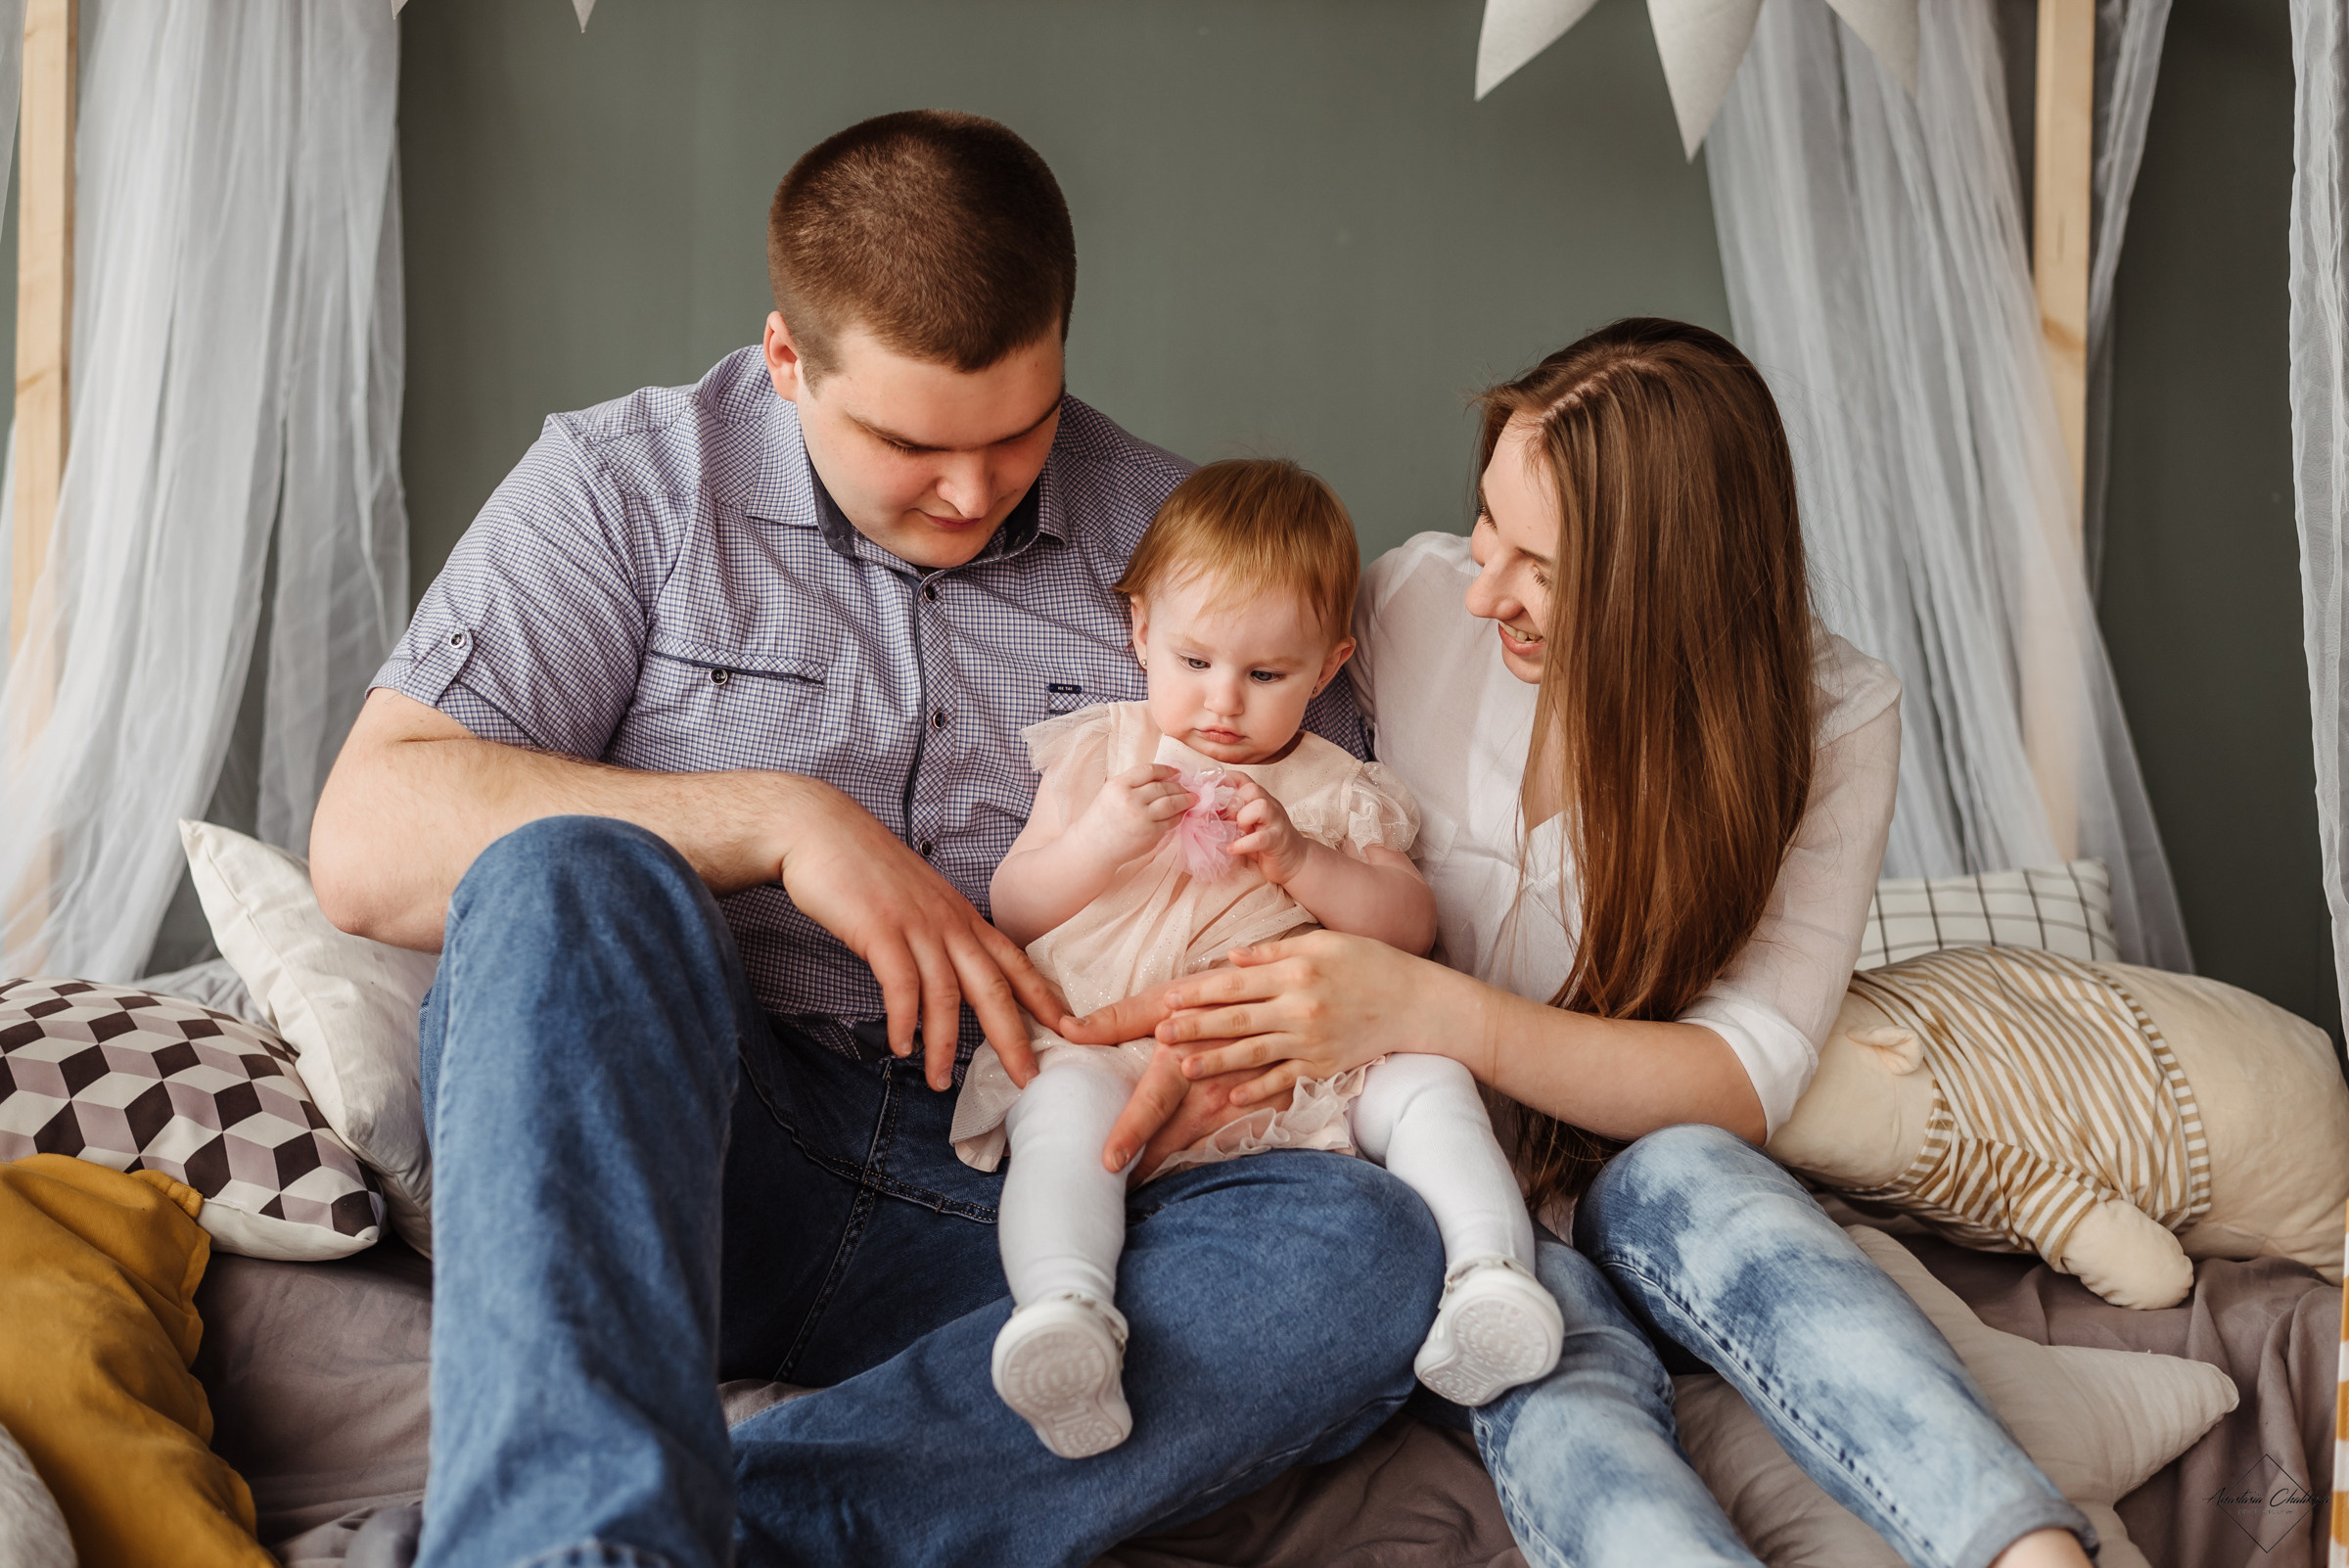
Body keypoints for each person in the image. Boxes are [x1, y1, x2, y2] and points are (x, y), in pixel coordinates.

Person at [308, 111, 1444, 1568]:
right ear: (788, 360)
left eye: (1020, 433)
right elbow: (364, 835)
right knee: (564, 871)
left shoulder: (1194, 558)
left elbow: (1348, 892)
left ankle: (695, 1533)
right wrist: (776, 816)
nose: (972, 493)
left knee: (1364, 1251)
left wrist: (1225, 1046)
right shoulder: (624, 487)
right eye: (911, 443)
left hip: (1050, 1182)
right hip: (705, 1160)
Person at [1066, 320, 2099, 1568]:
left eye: (1539, 566)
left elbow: (1741, 1078)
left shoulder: (1828, 717)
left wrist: (1426, 1006)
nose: (1482, 586)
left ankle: (2026, 1550)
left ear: (1670, 581)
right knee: (1548, 1369)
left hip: (1641, 1153)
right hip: (1440, 1170)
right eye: (1488, 527)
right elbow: (1229, 776)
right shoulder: (1406, 610)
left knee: (1699, 1188)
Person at [958, 458, 1563, 1459]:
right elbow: (1014, 907)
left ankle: (1490, 1278)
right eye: (1194, 662)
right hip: (1108, 1048)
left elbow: (1407, 925)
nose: (1223, 704)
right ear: (1141, 631)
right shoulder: (1100, 755)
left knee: (1431, 1082)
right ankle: (1065, 1310)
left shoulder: (1336, 787)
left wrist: (1301, 859)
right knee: (1059, 1116)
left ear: (1328, 669)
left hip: (1304, 1068)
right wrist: (1099, 840)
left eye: (1267, 675)